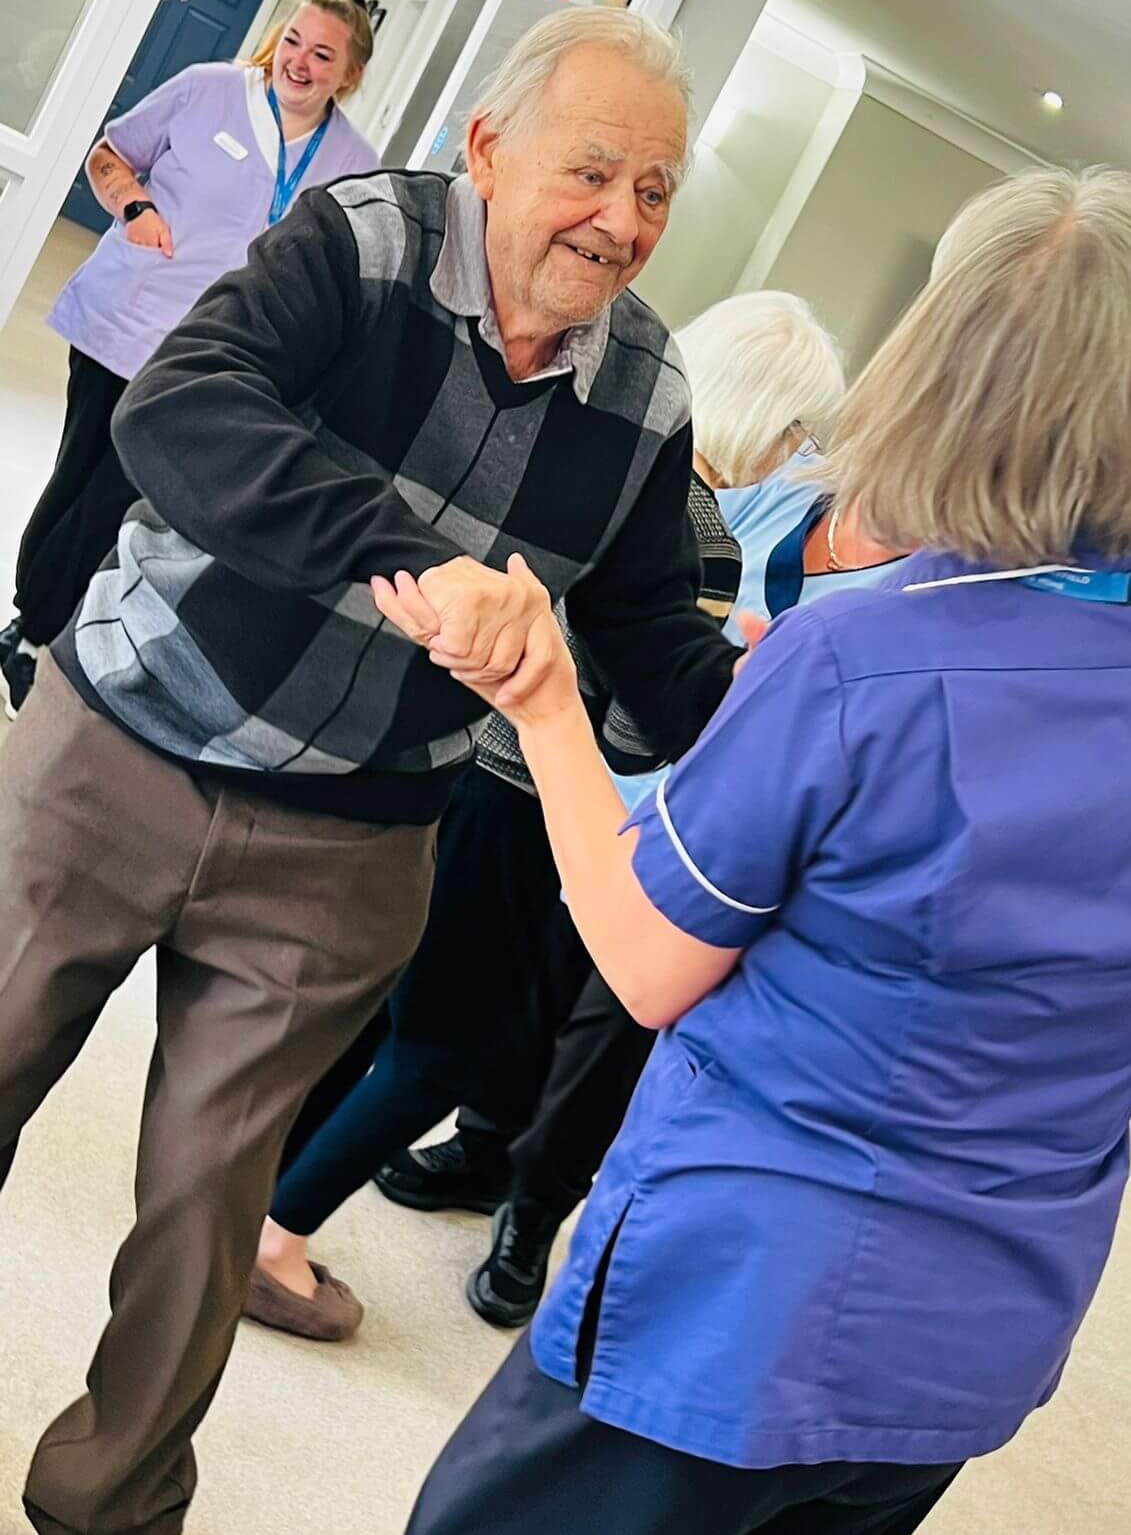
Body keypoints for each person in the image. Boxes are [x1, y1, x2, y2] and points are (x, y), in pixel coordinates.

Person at [364, 167, 1131, 1535]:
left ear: (941, 367)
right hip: (973, 1335)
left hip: (740, 1307)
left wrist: (546, 696)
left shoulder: (861, 665)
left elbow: (646, 961)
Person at [0, 6, 739, 1535]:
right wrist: (415, 560)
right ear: (488, 147)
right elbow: (181, 411)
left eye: (659, 190)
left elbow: (646, 626)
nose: (623, 219)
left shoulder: (647, 389)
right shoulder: (359, 244)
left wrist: (791, 715)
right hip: (121, 743)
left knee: (205, 1216)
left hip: (343, 849)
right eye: (593, 169)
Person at [253, 289, 848, 1335]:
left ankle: (251, 1203)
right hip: (530, 802)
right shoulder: (697, 535)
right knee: (445, 1047)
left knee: (384, 1009)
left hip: (455, 767)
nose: (798, 455)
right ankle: (277, 1237)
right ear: (770, 414)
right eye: (800, 430)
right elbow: (635, 727)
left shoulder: (606, 476)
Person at [0, 0, 381, 715]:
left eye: (322, 53)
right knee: (81, 472)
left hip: (214, 356)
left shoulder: (353, 164)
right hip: (128, 317)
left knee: (121, 489)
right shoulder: (208, 90)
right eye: (294, 40)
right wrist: (136, 209)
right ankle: (33, 623)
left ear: (348, 74)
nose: (299, 61)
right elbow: (111, 154)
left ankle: (35, 628)